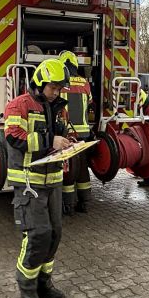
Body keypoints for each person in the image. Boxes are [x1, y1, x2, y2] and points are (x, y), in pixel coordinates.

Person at [3, 59, 71, 298]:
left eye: (60, 88)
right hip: (29, 180)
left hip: (53, 179)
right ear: (40, 83)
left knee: (54, 233)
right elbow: (14, 137)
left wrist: (69, 143)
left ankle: (45, 282)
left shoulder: (60, 107)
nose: (57, 92)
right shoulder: (19, 105)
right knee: (38, 233)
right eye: (53, 87)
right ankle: (27, 284)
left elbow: (64, 134)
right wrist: (50, 141)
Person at [59, 51, 93, 213]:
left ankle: (68, 205)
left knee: (68, 169)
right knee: (82, 167)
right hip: (84, 133)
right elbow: (90, 101)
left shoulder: (60, 82)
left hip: (67, 132)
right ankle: (85, 202)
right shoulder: (84, 83)